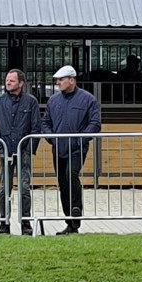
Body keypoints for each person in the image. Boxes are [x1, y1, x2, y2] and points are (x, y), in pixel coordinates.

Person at [40, 64, 101, 234]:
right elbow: (45, 122)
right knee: (63, 183)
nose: (58, 83)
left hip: (77, 148)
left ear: (71, 80)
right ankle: (70, 222)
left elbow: (95, 123)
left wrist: (80, 139)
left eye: (61, 79)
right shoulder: (53, 101)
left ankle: (76, 209)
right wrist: (51, 138)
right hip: (58, 147)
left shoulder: (88, 100)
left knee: (71, 174)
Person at [0, 69, 40, 235]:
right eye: (7, 80)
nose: (8, 83)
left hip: (23, 151)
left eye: (11, 80)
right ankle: (4, 222)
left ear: (21, 83)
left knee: (24, 188)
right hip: (5, 150)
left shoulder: (31, 102)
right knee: (5, 188)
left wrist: (29, 148)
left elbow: (36, 127)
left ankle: (26, 222)